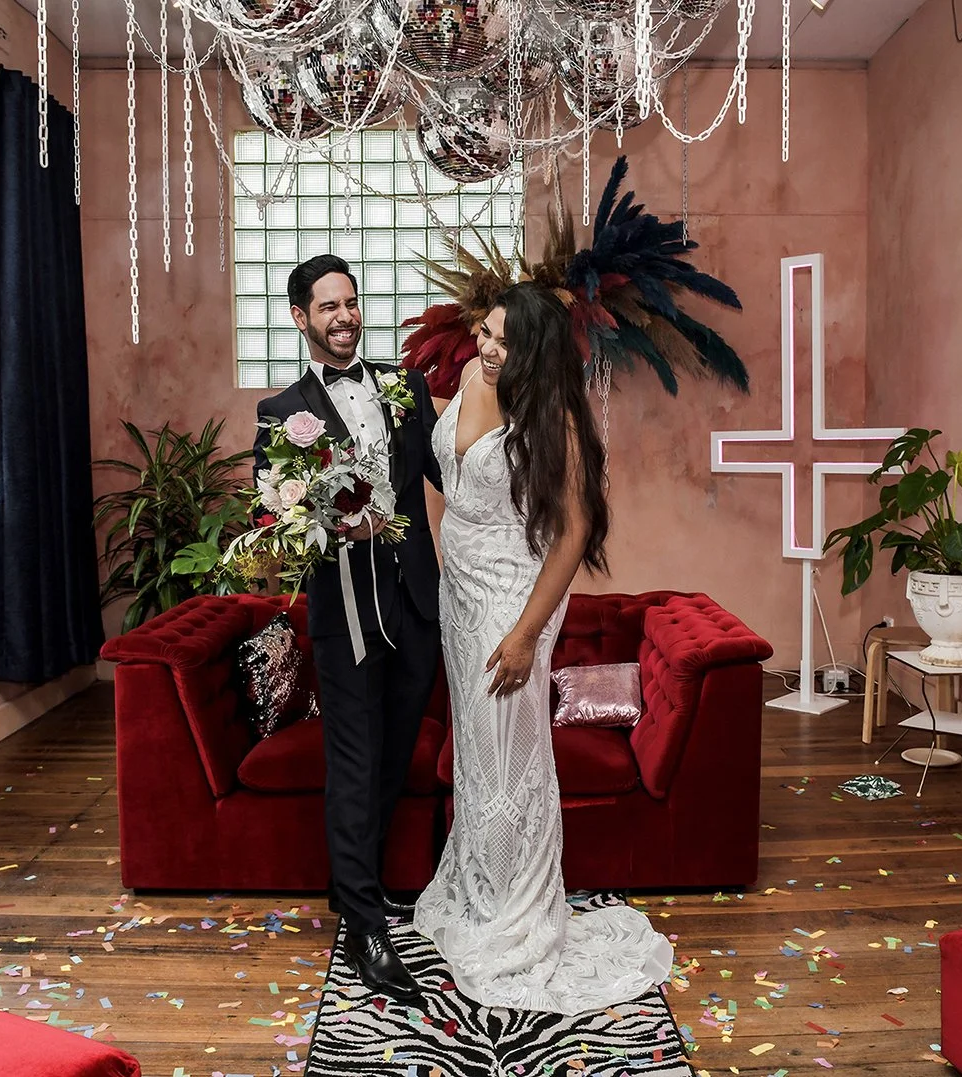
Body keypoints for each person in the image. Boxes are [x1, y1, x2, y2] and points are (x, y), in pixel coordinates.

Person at [412, 281, 675, 1013]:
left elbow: (574, 532)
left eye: (505, 340)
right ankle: (480, 890)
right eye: (486, 333)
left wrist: (527, 632)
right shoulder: (467, 376)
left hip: (512, 597)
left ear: (536, 349)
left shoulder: (551, 415)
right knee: (477, 748)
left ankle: (515, 912)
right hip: (458, 592)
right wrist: (439, 554)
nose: (489, 349)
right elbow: (447, 473)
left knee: (508, 753)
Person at [251, 255, 441, 1004]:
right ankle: (366, 926)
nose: (344, 316)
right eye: (328, 306)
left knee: (393, 757)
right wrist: (332, 521)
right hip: (343, 615)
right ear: (302, 318)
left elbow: (441, 467)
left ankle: (354, 888)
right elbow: (279, 513)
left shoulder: (406, 385)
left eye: (352, 303)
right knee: (355, 762)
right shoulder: (280, 412)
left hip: (413, 603)